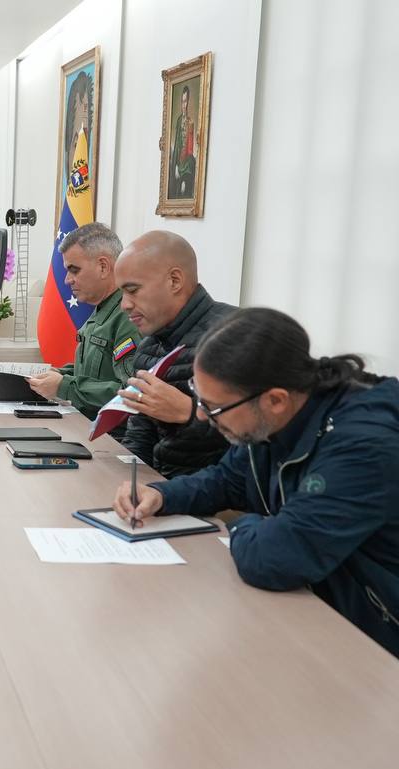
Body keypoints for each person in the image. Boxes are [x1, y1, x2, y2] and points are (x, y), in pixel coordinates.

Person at [113, 308, 399, 657]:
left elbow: (277, 557)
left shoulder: (364, 446)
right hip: (321, 607)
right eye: (199, 398)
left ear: (275, 400)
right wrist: (160, 494)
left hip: (376, 639)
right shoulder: (284, 411)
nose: (201, 415)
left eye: (213, 406)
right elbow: (227, 480)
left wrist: (244, 526)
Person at [114, 230, 233, 478]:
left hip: (218, 500)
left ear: (175, 281)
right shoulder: (148, 346)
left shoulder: (236, 336)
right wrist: (125, 485)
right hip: (162, 493)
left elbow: (262, 447)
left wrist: (189, 413)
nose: (124, 304)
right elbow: (139, 437)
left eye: (133, 290)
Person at [27, 223, 141, 420]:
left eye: (74, 270)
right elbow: (95, 373)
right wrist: (57, 374)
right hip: (84, 423)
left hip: (113, 436)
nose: (67, 280)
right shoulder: (102, 308)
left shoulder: (128, 316)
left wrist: (64, 386)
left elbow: (131, 393)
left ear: (103, 267)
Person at [169, 86, 197, 199]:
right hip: (178, 163)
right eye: (182, 102)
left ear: (188, 102)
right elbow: (176, 146)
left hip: (186, 164)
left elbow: (189, 151)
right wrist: (175, 165)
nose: (183, 105)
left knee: (192, 162)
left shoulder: (190, 123)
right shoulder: (179, 120)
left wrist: (184, 175)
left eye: (185, 101)